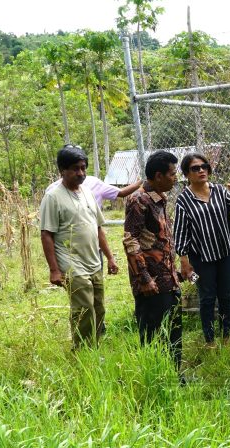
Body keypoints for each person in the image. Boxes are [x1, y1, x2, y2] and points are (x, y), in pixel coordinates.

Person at [39, 145, 119, 349]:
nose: (81, 173)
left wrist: (110, 257)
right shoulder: (53, 196)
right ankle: (83, 350)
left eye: (83, 168)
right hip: (71, 263)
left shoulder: (88, 193)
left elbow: (99, 228)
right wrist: (54, 270)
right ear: (62, 170)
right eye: (75, 169)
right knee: (83, 308)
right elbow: (46, 234)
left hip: (94, 261)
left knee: (99, 307)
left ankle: (95, 345)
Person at [174, 153, 230, 346]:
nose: (201, 170)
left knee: (226, 295)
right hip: (200, 258)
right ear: (186, 174)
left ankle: (226, 336)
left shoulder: (219, 191)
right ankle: (209, 340)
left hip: (227, 252)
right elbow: (181, 232)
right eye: (195, 168)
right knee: (207, 297)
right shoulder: (183, 200)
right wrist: (184, 261)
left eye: (204, 166)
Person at [122, 150, 183, 372]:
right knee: (153, 333)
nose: (175, 178)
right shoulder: (139, 199)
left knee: (173, 330)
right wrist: (144, 278)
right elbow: (131, 240)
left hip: (167, 279)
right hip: (151, 284)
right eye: (172, 174)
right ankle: (155, 376)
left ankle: (175, 374)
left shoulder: (159, 199)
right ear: (158, 176)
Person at [45, 174, 142, 210]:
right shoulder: (52, 192)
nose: (79, 172)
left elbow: (121, 193)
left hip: (93, 242)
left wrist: (143, 181)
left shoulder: (93, 183)